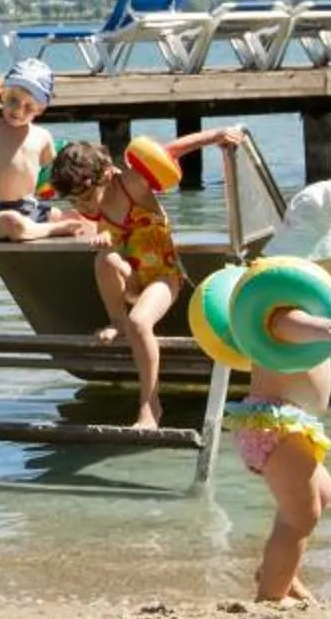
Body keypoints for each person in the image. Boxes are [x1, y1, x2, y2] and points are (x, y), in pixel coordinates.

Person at [228, 181, 331, 603]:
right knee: (301, 513)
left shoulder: (312, 306)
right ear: (322, 257)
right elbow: (284, 323)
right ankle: (269, 600)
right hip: (272, 421)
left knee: (319, 496)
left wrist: (325, 322)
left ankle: (280, 573)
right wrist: (323, 327)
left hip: (289, 423)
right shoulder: (282, 305)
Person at [36, 125, 246, 429]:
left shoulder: (130, 185)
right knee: (104, 260)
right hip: (131, 278)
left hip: (163, 276)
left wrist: (216, 136)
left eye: (85, 199)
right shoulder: (93, 206)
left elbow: (171, 151)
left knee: (140, 322)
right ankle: (116, 321)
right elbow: (117, 242)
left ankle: (150, 406)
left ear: (105, 175)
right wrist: (104, 240)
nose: (82, 208)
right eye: (74, 203)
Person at [0, 59, 60, 242]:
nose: (18, 110)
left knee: (69, 216)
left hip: (31, 209)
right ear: (2, 95)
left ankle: (42, 228)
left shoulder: (42, 136)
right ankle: (51, 230)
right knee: (12, 222)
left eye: (29, 107)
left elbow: (59, 175)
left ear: (40, 109)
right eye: (13, 100)